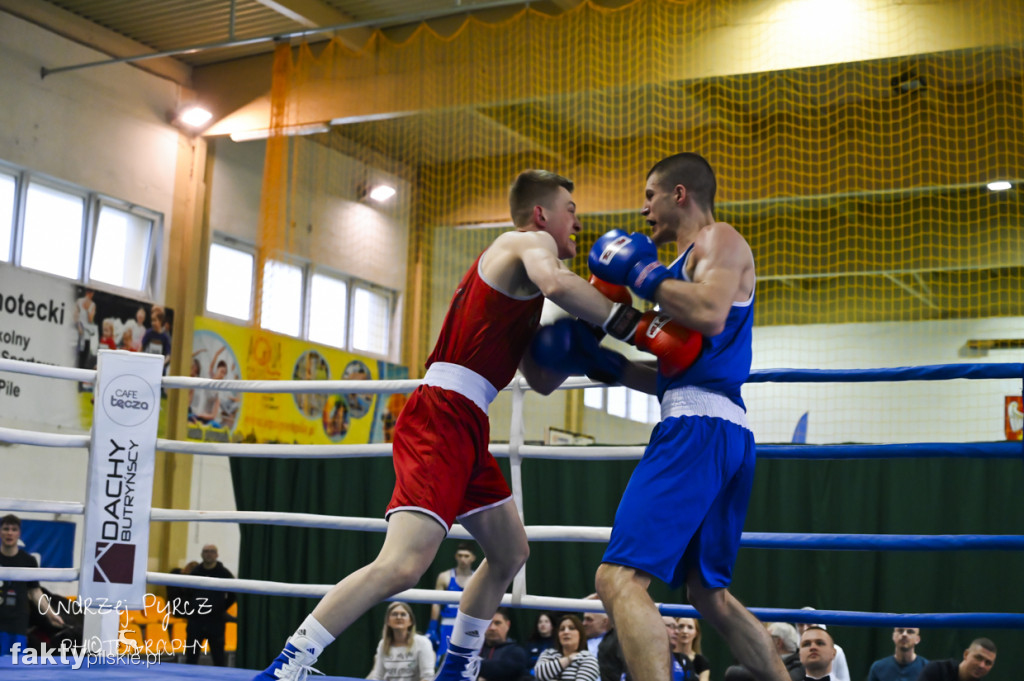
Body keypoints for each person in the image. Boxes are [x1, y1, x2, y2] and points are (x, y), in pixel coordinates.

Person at [254, 169, 696, 681]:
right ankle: (288, 665)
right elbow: (559, 282)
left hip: (467, 422)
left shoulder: (525, 294)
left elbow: (542, 378)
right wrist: (631, 323)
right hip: (442, 413)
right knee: (402, 565)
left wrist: (632, 367)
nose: (578, 221)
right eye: (570, 210)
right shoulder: (523, 243)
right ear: (540, 215)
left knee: (510, 552)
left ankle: (458, 667)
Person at [583, 153, 790, 681]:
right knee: (709, 595)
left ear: (680, 194)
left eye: (649, 194)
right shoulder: (679, 271)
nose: (643, 207)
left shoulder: (719, 240)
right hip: (712, 426)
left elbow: (710, 313)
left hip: (699, 433)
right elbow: (674, 377)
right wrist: (608, 366)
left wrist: (638, 272)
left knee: (618, 580)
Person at [0, 514, 64, 655]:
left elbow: (35, 592)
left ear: (19, 533)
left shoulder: (28, 561)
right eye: (6, 529)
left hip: (18, 622)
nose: (9, 533)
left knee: (16, 668)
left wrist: (50, 614)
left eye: (14, 529)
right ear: (0, 532)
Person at [185, 544, 236, 666]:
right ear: (202, 554)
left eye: (212, 551)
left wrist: (220, 607)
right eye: (206, 551)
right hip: (196, 621)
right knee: (191, 657)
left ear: (217, 555)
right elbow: (187, 593)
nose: (209, 554)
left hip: (216, 621)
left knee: (219, 658)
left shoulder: (224, 573)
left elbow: (233, 594)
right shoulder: (195, 572)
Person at [428, 542, 478, 662]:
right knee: (443, 659)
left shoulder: (478, 578)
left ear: (473, 558)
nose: (462, 559)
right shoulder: (444, 577)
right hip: (447, 625)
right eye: (460, 555)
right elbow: (436, 603)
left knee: (468, 661)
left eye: (466, 556)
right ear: (456, 556)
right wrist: (432, 626)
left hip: (469, 625)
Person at [366, 602, 434, 681]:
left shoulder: (422, 643)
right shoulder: (382, 644)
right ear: (388, 621)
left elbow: (427, 677)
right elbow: (378, 677)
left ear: (410, 621)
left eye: (403, 614)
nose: (398, 617)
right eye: (394, 614)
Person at [534, 614, 599, 681]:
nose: (566, 632)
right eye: (562, 629)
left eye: (571, 628)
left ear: (580, 634)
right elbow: (538, 674)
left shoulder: (588, 658)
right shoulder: (548, 653)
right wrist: (567, 660)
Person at [479, 608, 530, 681]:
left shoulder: (516, 651)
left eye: (497, 623)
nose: (492, 628)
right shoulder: (476, 649)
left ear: (508, 624)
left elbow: (505, 669)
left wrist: (474, 666)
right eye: (488, 623)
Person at [917, 638, 996, 681]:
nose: (981, 665)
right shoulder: (937, 670)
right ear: (966, 654)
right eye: (978, 658)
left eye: (988, 663)